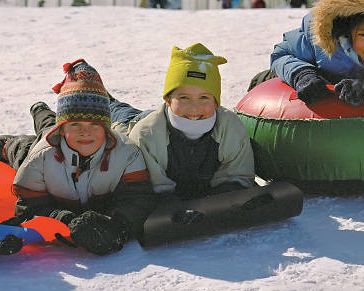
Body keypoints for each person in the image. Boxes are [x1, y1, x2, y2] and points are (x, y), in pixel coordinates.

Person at [0, 60, 157, 256]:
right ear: (63, 128)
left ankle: (44, 112)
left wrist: (117, 225)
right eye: (75, 124)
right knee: (29, 145)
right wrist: (64, 219)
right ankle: (17, 136)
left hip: (63, 142)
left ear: (107, 128)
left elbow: (138, 199)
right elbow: (28, 208)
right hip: (45, 146)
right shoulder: (40, 158)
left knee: (48, 128)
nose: (85, 132)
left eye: (94, 125)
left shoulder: (127, 153)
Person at [109, 44, 256, 200]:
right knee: (115, 110)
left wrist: (225, 192)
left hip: (163, 119)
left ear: (216, 102)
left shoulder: (229, 127)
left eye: (204, 97)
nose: (194, 107)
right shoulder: (145, 136)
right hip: (133, 123)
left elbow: (239, 175)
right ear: (167, 100)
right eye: (184, 98)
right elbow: (150, 190)